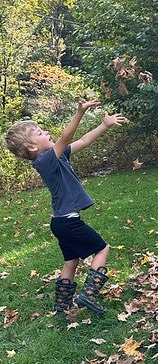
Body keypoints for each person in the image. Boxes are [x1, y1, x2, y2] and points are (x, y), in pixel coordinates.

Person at [4, 101, 128, 315]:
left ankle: (61, 304)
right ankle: (88, 294)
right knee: (102, 249)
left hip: (60, 222)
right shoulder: (45, 161)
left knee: (71, 260)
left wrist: (104, 125)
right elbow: (66, 137)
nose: (47, 132)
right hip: (69, 222)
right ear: (33, 147)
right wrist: (79, 112)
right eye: (41, 132)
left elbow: (82, 141)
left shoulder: (57, 156)